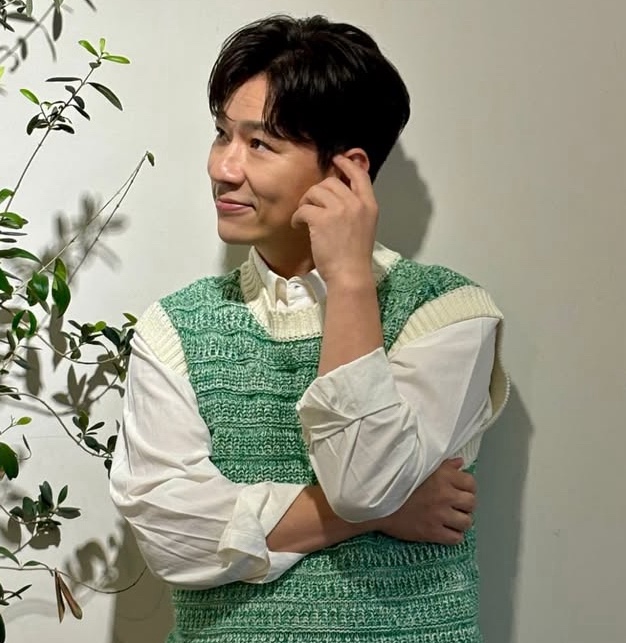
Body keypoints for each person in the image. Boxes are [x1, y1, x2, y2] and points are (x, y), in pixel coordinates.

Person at [110, 14, 509, 643]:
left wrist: (348, 281)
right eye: (222, 135)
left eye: (260, 145)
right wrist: (378, 515)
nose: (224, 168)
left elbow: (363, 482)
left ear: (346, 171)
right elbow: (171, 540)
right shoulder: (175, 327)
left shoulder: (448, 313)